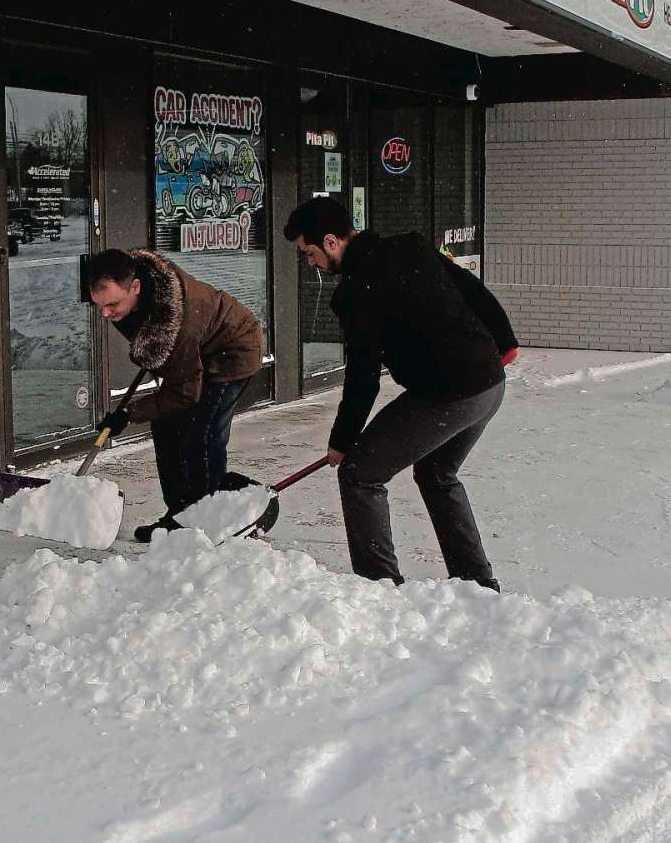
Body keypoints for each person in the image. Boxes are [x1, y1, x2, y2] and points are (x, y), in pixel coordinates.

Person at [284, 197, 518, 592]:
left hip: (449, 394)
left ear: (329, 241)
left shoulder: (355, 292)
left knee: (359, 475)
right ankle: (477, 583)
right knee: (436, 472)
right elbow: (473, 290)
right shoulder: (410, 246)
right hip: (488, 384)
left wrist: (342, 442)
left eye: (308, 253)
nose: (310, 263)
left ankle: (380, 588)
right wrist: (505, 343)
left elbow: (363, 376)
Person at [88, 248, 264, 541]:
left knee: (202, 434)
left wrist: (130, 413)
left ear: (135, 287)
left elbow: (184, 393)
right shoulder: (137, 298)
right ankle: (180, 514)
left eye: (112, 304)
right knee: (166, 425)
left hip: (232, 352)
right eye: (100, 306)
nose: (106, 314)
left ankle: (205, 520)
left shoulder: (178, 323)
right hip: (198, 354)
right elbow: (169, 365)